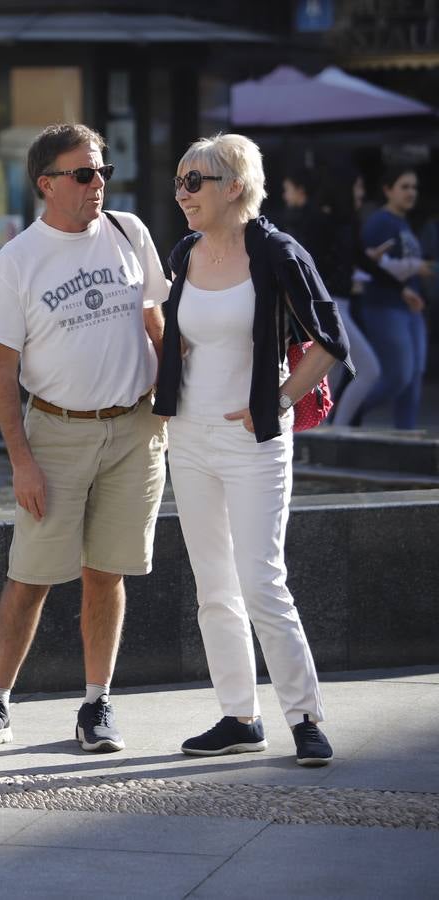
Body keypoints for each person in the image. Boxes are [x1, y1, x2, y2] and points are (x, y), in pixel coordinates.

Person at [0, 123, 168, 755]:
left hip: (136, 428)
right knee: (32, 576)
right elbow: (1, 372)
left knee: (108, 573)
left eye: (102, 171)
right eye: (83, 174)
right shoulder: (19, 259)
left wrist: (185, 403)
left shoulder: (131, 233)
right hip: (56, 432)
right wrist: (21, 462)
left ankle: (96, 705)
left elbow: (157, 321)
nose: (97, 184)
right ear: (47, 184)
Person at [153, 133, 349, 766]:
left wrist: (281, 400)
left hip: (253, 441)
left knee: (262, 582)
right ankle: (239, 715)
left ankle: (306, 717)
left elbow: (329, 342)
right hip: (188, 435)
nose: (181, 194)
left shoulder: (277, 252)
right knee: (214, 586)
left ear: (232, 186)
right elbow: (180, 334)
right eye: (178, 182)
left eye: (193, 183)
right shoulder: (184, 251)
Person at [319, 172, 416, 427]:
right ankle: (336, 432)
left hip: (343, 306)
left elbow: (362, 261)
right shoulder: (324, 222)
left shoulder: (349, 224)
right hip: (330, 307)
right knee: (368, 369)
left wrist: (400, 288)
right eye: (357, 186)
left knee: (335, 373)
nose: (361, 193)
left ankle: (319, 433)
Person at [355, 168, 433, 429]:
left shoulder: (403, 223)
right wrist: (413, 266)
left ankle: (406, 436)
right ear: (388, 190)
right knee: (398, 375)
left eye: (414, 187)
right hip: (385, 305)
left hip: (411, 306)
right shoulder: (380, 223)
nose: (411, 192)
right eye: (405, 186)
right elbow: (370, 264)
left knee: (413, 377)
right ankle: (349, 411)